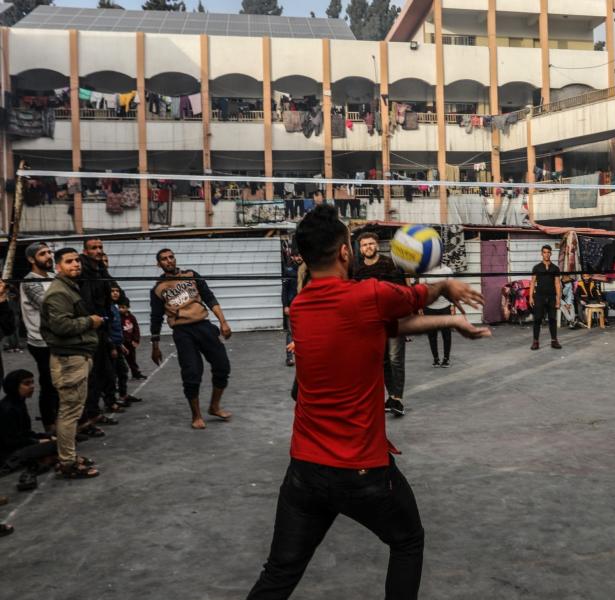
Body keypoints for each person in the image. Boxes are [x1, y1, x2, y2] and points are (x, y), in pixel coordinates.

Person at [246, 205, 489, 599]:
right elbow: (415, 296)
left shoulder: (303, 307)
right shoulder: (368, 294)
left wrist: (450, 322)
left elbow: (387, 325)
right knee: (408, 541)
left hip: (305, 470)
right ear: (346, 252)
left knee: (279, 573)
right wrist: (446, 287)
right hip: (361, 469)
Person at [150, 248, 233, 430]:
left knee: (222, 366)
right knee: (192, 373)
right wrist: (155, 346)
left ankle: (214, 406)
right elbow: (156, 318)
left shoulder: (191, 275)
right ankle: (196, 415)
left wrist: (223, 322)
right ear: (159, 264)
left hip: (204, 326)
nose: (169, 261)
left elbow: (210, 298)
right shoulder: (158, 288)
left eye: (171, 257)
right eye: (164, 259)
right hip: (182, 332)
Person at [40, 247, 102, 479]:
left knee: (72, 410)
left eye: (77, 260)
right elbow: (61, 327)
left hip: (76, 356)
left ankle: (68, 455)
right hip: (68, 359)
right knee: (69, 412)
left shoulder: (69, 288)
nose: (76, 264)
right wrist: (91, 321)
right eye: (69, 262)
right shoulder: (59, 293)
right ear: (58, 266)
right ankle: (67, 462)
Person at [355, 232, 409, 416]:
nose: (368, 247)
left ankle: (398, 400)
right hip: (372, 323)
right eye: (364, 245)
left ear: (377, 245)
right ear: (360, 249)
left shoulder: (389, 265)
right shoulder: (357, 270)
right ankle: (392, 396)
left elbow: (402, 291)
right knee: (383, 360)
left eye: (371, 244)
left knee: (395, 358)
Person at [77, 237, 118, 433]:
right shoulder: (83, 270)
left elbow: (112, 287)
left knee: (103, 372)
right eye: (94, 248)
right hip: (88, 328)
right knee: (90, 377)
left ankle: (94, 412)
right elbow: (85, 300)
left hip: (101, 327)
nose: (99, 250)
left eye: (101, 247)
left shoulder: (100, 268)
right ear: (85, 251)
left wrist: (117, 295)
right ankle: (87, 418)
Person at [19, 242, 59, 432]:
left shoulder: (53, 277)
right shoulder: (30, 281)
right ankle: (49, 425)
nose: (48, 256)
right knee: (49, 383)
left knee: (60, 382)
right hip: (41, 341)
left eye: (49, 252)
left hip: (58, 338)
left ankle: (62, 423)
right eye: (43, 254)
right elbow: (49, 306)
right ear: (31, 259)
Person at [0, 370, 58, 492]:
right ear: (14, 386)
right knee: (59, 444)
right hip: (9, 453)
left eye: (32, 383)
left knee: (60, 437)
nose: (32, 387)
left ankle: (44, 459)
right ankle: (38, 464)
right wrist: (38, 441)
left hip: (19, 445)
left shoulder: (19, 402)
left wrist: (44, 437)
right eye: (26, 384)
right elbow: (10, 441)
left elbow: (25, 432)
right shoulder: (8, 409)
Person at [422, 262, 455, 367]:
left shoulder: (447, 270)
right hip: (429, 308)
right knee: (432, 335)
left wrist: (453, 305)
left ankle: (446, 359)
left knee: (446, 335)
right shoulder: (424, 270)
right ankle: (436, 359)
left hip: (444, 307)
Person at [530, 244, 562, 350]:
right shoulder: (537, 267)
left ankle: (554, 340)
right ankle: (535, 341)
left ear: (551, 254)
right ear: (541, 254)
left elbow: (557, 283)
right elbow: (532, 282)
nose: (546, 254)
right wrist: (530, 297)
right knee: (537, 319)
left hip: (552, 296)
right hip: (539, 296)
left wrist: (558, 298)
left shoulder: (555, 268)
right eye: (544, 252)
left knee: (552, 319)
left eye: (548, 252)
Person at [282, 248, 302, 367]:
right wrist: (285, 306)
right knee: (291, 332)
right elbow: (284, 290)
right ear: (293, 257)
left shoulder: (307, 270)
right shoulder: (288, 271)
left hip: (305, 307)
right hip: (292, 306)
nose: (299, 258)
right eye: (296, 256)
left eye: (300, 255)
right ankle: (289, 358)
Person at [119, 298, 145, 380]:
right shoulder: (118, 318)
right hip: (122, 343)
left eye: (123, 307)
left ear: (128, 307)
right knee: (120, 361)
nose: (121, 309)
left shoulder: (131, 317)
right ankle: (120, 377)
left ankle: (135, 373)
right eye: (119, 307)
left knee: (132, 359)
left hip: (131, 343)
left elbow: (136, 329)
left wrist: (136, 340)